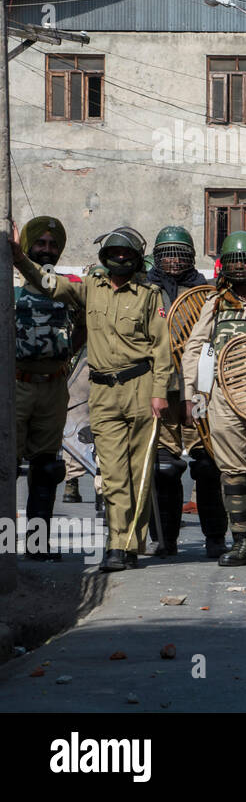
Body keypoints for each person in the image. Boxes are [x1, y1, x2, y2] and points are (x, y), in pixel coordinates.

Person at [12, 225, 171, 572]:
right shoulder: (90, 289)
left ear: (136, 258)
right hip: (102, 391)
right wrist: (19, 258)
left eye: (126, 253)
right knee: (112, 472)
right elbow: (48, 283)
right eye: (114, 252)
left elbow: (162, 348)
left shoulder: (149, 294)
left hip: (141, 387)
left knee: (137, 470)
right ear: (104, 256)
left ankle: (129, 542)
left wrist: (160, 392)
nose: (119, 258)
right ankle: (118, 545)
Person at [181, 231, 246, 568]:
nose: (239, 266)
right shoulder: (215, 303)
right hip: (223, 397)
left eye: (245, 260)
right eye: (234, 260)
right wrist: (191, 397)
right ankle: (241, 543)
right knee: (232, 472)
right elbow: (194, 350)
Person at [147, 225, 224, 559]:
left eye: (180, 253)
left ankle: (215, 537)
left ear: (191, 257)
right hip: (161, 388)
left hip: (198, 390)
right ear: (157, 256)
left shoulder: (208, 293)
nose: (174, 260)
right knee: (164, 469)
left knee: (208, 465)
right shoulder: (145, 290)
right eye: (167, 253)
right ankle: (165, 539)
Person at [15, 216, 85, 560]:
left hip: (53, 387)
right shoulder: (9, 286)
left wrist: (68, 352)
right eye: (40, 244)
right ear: (27, 246)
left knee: (47, 469)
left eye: (52, 245)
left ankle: (36, 545)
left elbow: (85, 322)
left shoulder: (65, 287)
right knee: (6, 466)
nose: (46, 250)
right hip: (15, 385)